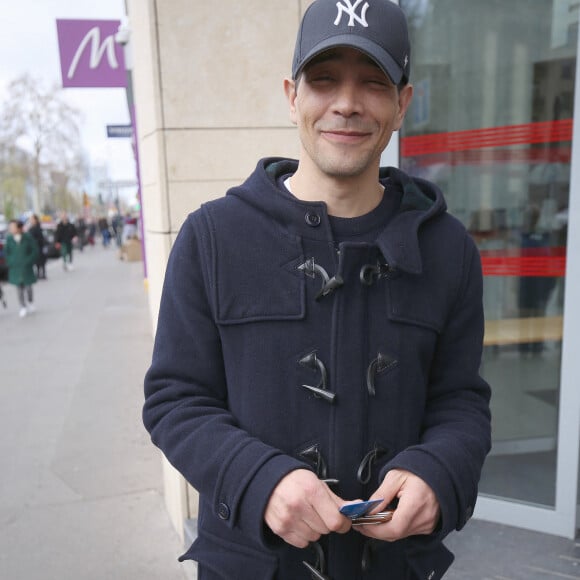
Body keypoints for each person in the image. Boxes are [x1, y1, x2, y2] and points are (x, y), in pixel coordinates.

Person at [143, 2, 491, 579]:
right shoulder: (212, 236)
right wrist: (259, 479)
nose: (347, 103)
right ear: (292, 96)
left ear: (402, 104)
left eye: (372, 83)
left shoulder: (449, 250)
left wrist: (439, 469)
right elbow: (174, 401)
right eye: (324, 80)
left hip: (397, 567)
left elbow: (460, 401)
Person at [5, 220, 38, 317]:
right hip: (15, 268)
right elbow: (7, 253)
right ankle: (22, 306)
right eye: (10, 227)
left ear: (19, 228)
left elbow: (34, 250)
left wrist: (29, 261)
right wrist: (11, 262)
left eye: (13, 227)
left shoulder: (27, 237)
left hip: (26, 267)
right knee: (19, 288)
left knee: (28, 287)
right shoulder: (9, 239)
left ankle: (30, 302)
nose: (11, 229)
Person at [27, 214, 48, 279]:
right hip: (34, 248)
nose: (31, 221)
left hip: (40, 246)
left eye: (32, 219)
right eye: (30, 219)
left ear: (35, 220)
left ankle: (43, 274)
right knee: (36, 262)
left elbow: (42, 238)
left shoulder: (39, 228)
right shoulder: (30, 228)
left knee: (42, 261)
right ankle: (38, 273)